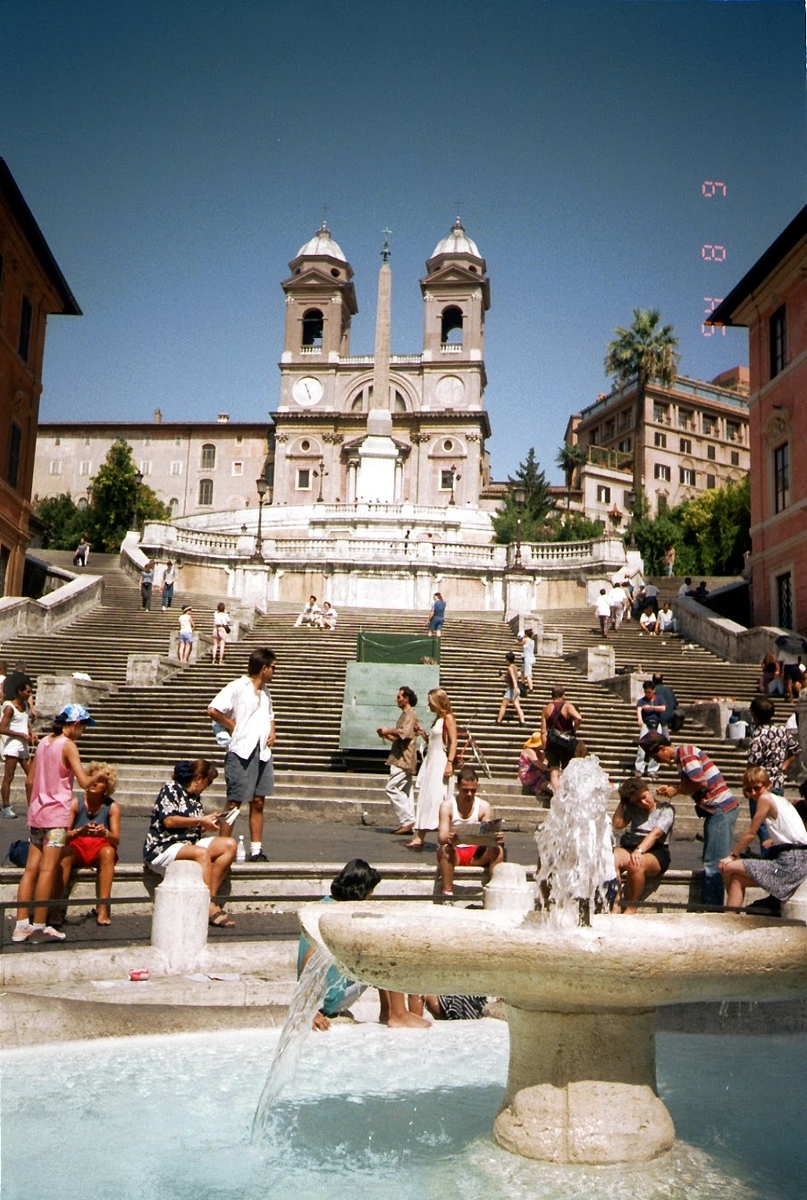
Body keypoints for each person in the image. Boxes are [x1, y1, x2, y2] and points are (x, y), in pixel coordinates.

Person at [297, 859, 430, 1031]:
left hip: (323, 996)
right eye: (370, 894)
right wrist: (310, 1010)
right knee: (387, 949)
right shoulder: (338, 916)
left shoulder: (323, 905)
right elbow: (310, 958)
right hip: (328, 1001)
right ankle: (398, 1014)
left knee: (375, 945)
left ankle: (388, 1012)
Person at [13, 704, 104, 943]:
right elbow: (85, 782)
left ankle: (21, 923)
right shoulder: (68, 745)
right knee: (47, 870)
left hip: (38, 812)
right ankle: (40, 925)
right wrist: (100, 776)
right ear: (74, 724)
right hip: (56, 816)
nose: (83, 732)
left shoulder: (44, 742)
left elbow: (29, 781)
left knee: (31, 869)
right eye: (83, 727)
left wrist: (34, 805)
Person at [641, 731, 739, 907]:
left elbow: (700, 782)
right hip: (716, 809)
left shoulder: (685, 754)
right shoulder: (684, 756)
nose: (658, 761)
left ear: (663, 749)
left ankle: (712, 908)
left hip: (720, 808)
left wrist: (675, 790)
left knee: (714, 862)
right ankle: (712, 905)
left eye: (656, 756)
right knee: (712, 860)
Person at [143, 759, 237, 927]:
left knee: (229, 845)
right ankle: (208, 907)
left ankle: (210, 899)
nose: (207, 787)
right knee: (202, 853)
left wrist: (207, 825)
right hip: (163, 845)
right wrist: (200, 820)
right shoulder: (171, 789)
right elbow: (169, 821)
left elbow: (191, 829)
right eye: (208, 783)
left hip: (187, 843)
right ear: (199, 778)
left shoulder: (195, 798)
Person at [207, 648, 277, 862]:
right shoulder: (237, 687)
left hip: (262, 752)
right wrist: (232, 726)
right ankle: (223, 846)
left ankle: (256, 849)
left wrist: (272, 731)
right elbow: (213, 709)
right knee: (235, 801)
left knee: (258, 801)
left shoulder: (265, 692)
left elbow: (270, 714)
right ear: (263, 668)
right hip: (241, 750)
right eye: (273, 667)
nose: (275, 671)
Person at [719, 767, 807, 910]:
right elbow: (795, 832)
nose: (753, 793)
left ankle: (730, 918)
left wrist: (732, 856)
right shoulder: (781, 800)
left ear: (768, 786)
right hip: (799, 859)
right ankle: (730, 917)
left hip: (791, 862)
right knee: (737, 880)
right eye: (748, 790)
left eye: (757, 788)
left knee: (727, 867)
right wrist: (775, 841)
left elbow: (751, 833)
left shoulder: (765, 798)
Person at [59, 761, 120, 926]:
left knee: (109, 852)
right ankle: (55, 908)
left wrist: (105, 833)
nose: (94, 783)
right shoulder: (75, 803)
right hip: (77, 845)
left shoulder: (112, 807)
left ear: (106, 787)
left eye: (99, 781)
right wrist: (81, 831)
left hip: (99, 846)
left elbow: (116, 839)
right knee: (65, 853)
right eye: (92, 778)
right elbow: (64, 835)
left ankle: (102, 908)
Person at [436, 766, 504, 901]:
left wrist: (496, 837)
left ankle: (495, 892)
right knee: (445, 850)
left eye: (473, 791)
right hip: (455, 852)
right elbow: (441, 837)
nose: (469, 795)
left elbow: (487, 837)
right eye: (465, 791)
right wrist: (449, 838)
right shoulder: (447, 806)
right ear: (457, 787)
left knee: (498, 850)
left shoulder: (483, 806)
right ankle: (447, 894)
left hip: (476, 853)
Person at [612, 776, 675, 913]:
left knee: (636, 863)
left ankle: (631, 906)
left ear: (649, 791)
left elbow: (656, 834)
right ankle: (616, 902)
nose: (644, 802)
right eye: (638, 801)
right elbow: (618, 824)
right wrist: (623, 801)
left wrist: (639, 851)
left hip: (656, 849)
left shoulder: (665, 809)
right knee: (610, 859)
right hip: (631, 844)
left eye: (644, 797)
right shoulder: (635, 808)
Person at [408, 687, 458, 850]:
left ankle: (436, 835)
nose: (428, 705)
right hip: (431, 762)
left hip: (440, 763)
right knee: (428, 797)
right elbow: (434, 742)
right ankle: (421, 835)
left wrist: (449, 762)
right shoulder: (438, 719)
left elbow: (453, 741)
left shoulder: (449, 718)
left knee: (437, 797)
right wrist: (422, 732)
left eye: (431, 702)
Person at [377, 686, 419, 836]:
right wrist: (386, 735)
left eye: (399, 696)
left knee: (391, 787)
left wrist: (388, 730)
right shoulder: (405, 715)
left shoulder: (410, 714)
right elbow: (399, 738)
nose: (397, 699)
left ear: (406, 698)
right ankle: (409, 822)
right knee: (405, 791)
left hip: (403, 759)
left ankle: (407, 820)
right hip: (401, 756)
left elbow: (405, 734)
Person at [0, 672, 37, 819]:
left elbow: (24, 723)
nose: (29, 694)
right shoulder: (10, 708)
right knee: (9, 776)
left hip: (23, 746)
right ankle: (6, 806)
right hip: (13, 745)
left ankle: (33, 805)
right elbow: (2, 728)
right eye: (27, 692)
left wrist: (30, 732)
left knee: (32, 776)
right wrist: (21, 735)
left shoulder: (25, 706)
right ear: (19, 691)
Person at [541, 686, 582, 792]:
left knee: (554, 770)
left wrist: (545, 747)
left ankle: (557, 794)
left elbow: (543, 731)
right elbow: (579, 718)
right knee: (568, 768)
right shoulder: (567, 706)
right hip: (566, 742)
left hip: (552, 743)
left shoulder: (546, 709)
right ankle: (568, 793)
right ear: (563, 695)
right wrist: (573, 731)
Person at [634, 680, 666, 777]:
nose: (647, 694)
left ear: (653, 690)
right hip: (646, 724)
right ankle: (639, 768)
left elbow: (663, 708)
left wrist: (651, 707)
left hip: (656, 723)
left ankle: (653, 769)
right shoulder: (642, 700)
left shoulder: (659, 699)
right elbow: (639, 709)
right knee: (642, 746)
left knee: (656, 747)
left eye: (649, 692)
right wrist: (639, 719)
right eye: (646, 692)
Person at [517, 732, 551, 799]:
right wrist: (551, 770)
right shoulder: (529, 751)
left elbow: (545, 763)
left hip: (537, 772)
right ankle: (541, 789)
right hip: (527, 774)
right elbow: (538, 764)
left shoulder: (539, 753)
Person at [496, 652, 526, 725]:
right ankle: (522, 721)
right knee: (517, 705)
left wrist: (515, 687)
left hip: (511, 689)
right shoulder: (515, 667)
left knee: (503, 705)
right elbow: (511, 678)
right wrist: (502, 677)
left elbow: (513, 678)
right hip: (514, 688)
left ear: (507, 659)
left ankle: (498, 721)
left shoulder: (510, 668)